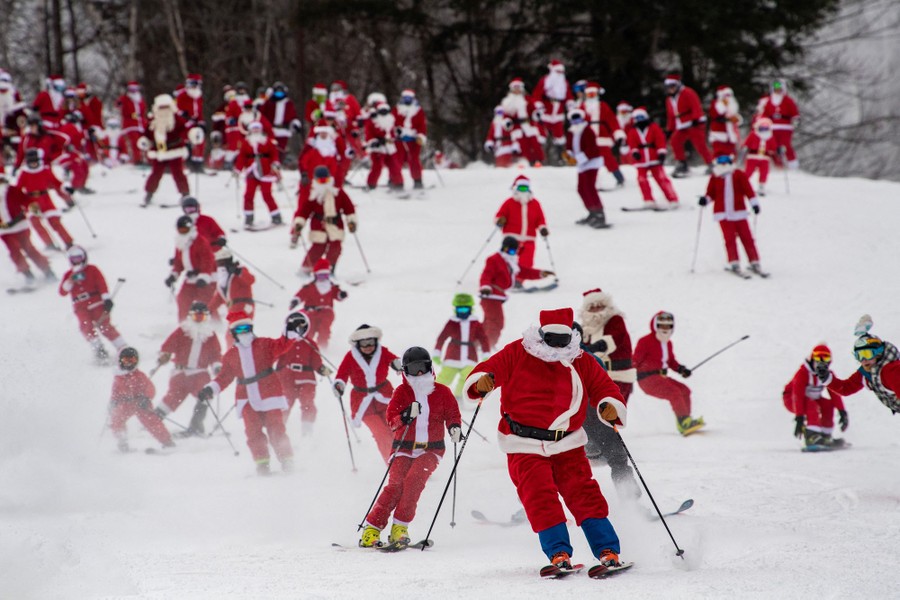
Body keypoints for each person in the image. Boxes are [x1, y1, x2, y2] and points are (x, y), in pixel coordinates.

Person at [463, 307, 628, 573]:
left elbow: (604, 387)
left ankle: (608, 551)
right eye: (551, 339)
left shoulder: (580, 359)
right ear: (541, 335)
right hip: (523, 443)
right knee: (539, 496)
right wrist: (482, 383)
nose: (557, 346)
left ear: (571, 338)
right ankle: (558, 553)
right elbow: (489, 370)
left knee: (583, 493)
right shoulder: (518, 351)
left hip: (568, 443)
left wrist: (609, 405)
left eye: (563, 340)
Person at [359, 347, 462, 548]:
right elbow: (392, 421)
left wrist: (454, 428)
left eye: (423, 367)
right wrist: (406, 416)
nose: (420, 374)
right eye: (414, 369)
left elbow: (452, 415)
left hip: (431, 450)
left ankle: (400, 528)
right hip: (403, 448)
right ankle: (372, 527)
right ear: (406, 371)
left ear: (430, 367)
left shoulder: (442, 392)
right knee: (395, 485)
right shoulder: (402, 392)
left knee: (414, 481)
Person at [199, 312, 299, 475]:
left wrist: (289, 331)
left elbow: (282, 345)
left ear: (251, 328)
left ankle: (287, 460)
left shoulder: (264, 344)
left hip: (270, 393)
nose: (244, 332)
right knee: (253, 432)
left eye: (246, 328)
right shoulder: (230, 355)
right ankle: (262, 464)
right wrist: (211, 388)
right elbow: (224, 377)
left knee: (276, 429)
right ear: (234, 333)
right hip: (246, 398)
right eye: (239, 329)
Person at [577, 289, 637, 488]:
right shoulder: (584, 327)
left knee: (606, 412)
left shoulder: (615, 320)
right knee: (590, 410)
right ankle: (596, 447)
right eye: (591, 307)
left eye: (599, 305)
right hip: (597, 376)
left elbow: (612, 340)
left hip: (618, 375)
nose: (596, 310)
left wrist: (591, 350)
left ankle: (604, 449)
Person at [333, 324, 403, 462]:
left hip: (385, 398)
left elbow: (394, 360)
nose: (368, 346)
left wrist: (397, 364)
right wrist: (339, 385)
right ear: (357, 344)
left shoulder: (382, 352)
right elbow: (341, 374)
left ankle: (407, 462)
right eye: (364, 343)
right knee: (381, 434)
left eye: (371, 342)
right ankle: (393, 464)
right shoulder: (350, 356)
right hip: (362, 403)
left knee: (396, 430)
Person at [154, 301, 222, 437]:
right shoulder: (182, 331)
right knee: (173, 397)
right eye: (196, 316)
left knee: (205, 394)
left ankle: (196, 425)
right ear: (191, 316)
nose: (198, 319)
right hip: (181, 372)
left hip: (200, 373)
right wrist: (164, 356)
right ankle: (153, 421)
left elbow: (216, 354)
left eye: (201, 317)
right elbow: (167, 346)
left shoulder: (210, 335)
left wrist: (216, 366)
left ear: (206, 317)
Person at [633, 311, 704, 435]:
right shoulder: (645, 341)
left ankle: (685, 420)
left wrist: (681, 369)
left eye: (668, 326)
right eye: (661, 326)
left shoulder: (668, 343)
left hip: (661, 377)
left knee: (685, 390)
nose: (665, 329)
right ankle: (683, 422)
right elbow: (635, 360)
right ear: (656, 326)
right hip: (647, 379)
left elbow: (671, 361)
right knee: (674, 392)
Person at [478, 236, 553, 349]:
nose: (512, 253)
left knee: (489, 322)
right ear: (504, 248)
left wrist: (540, 273)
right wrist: (485, 286)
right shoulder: (494, 259)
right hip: (490, 296)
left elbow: (523, 272)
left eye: (515, 251)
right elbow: (486, 274)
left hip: (496, 296)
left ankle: (478, 345)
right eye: (510, 250)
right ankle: (488, 346)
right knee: (496, 322)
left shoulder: (509, 261)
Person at [699, 155, 766, 277]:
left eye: (726, 163)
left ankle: (754, 261)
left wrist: (754, 204)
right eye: (721, 163)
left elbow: (748, 190)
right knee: (729, 239)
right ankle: (734, 262)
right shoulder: (715, 176)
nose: (723, 165)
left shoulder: (738, 174)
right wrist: (705, 200)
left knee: (747, 237)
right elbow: (711, 193)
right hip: (723, 214)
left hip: (739, 212)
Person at [58, 245, 128, 362]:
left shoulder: (92, 269)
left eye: (79, 258)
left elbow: (101, 283)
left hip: (96, 302)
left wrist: (106, 299)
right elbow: (62, 292)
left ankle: (123, 348)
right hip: (80, 306)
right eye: (74, 259)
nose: (77, 261)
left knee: (104, 325)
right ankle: (98, 349)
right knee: (86, 326)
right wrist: (70, 280)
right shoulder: (68, 275)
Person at [291, 165, 357, 274]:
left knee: (335, 248)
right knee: (317, 248)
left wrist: (351, 221)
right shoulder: (313, 196)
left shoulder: (338, 193)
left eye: (325, 180)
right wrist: (299, 223)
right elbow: (304, 211)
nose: (323, 183)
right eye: (320, 180)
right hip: (318, 225)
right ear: (316, 180)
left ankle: (329, 268)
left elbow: (349, 208)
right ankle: (306, 268)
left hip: (335, 225)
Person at [109, 347, 175, 453]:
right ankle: (122, 441)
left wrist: (146, 398)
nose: (129, 364)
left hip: (141, 403)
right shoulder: (118, 377)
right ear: (120, 361)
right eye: (126, 360)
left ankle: (167, 441)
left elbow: (150, 388)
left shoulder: (139, 375)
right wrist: (113, 402)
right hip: (126, 403)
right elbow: (115, 392)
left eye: (133, 361)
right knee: (117, 418)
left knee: (151, 421)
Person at [783, 344, 848, 450]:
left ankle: (825, 435)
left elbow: (834, 393)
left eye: (825, 359)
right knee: (811, 405)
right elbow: (797, 395)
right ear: (812, 359)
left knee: (828, 404)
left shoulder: (827, 375)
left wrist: (842, 411)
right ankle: (812, 435)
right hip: (792, 399)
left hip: (812, 399)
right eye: (817, 359)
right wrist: (799, 418)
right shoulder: (803, 373)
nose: (820, 363)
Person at [276, 311, 329, 435]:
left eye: (300, 326)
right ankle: (279, 430)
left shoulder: (310, 343)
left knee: (307, 401)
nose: (297, 329)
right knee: (285, 402)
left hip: (306, 378)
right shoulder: (283, 342)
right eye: (294, 326)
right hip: (286, 378)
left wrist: (323, 370)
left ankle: (307, 430)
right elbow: (278, 358)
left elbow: (316, 361)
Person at [13, 147, 75, 251]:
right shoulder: (24, 173)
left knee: (54, 221)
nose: (33, 164)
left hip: (45, 199)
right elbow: (18, 189)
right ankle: (49, 244)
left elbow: (56, 183)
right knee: (36, 222)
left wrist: (66, 190)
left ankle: (68, 242)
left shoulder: (45, 170)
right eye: (31, 162)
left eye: (35, 161)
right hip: (31, 201)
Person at [432, 293, 490, 400]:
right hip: (452, 355)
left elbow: (483, 338)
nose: (462, 313)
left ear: (470, 309)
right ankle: (433, 395)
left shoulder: (475, 323)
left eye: (465, 310)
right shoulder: (452, 322)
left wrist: (486, 353)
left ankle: (459, 396)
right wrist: (437, 352)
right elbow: (442, 337)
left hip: (470, 356)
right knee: (445, 377)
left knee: (467, 376)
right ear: (456, 309)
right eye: (460, 310)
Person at [828, 329, 900, 416]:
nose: (864, 360)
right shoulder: (867, 372)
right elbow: (845, 388)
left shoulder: (891, 371)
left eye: (867, 354)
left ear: (878, 353)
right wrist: (825, 377)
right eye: (859, 355)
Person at [138, 94, 191, 206]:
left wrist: (192, 136)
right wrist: (144, 142)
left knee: (178, 173)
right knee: (156, 174)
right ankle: (149, 193)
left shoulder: (177, 119)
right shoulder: (153, 121)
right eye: (161, 107)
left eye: (166, 107)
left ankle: (185, 195)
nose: (164, 110)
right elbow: (147, 135)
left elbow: (185, 131)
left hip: (174, 150)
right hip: (159, 152)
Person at [0, 177, 54, 285]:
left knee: (29, 249)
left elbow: (26, 200)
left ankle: (47, 271)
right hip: (4, 231)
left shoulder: (12, 190)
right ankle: (27, 274)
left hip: (20, 225)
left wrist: (32, 206)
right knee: (14, 252)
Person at [165, 215, 216, 322]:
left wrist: (203, 276)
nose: (183, 232)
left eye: (185, 229)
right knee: (183, 300)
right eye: (181, 230)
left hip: (204, 281)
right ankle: (183, 326)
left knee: (205, 304)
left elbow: (208, 260)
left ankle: (214, 325)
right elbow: (178, 263)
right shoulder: (180, 242)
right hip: (190, 279)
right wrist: (173, 276)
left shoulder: (200, 241)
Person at [494, 174, 548, 274]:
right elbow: (500, 215)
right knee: (509, 258)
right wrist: (500, 220)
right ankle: (505, 276)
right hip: (511, 237)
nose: (523, 190)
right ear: (516, 188)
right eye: (521, 187)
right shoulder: (509, 202)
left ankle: (519, 280)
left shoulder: (535, 203)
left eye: (525, 187)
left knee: (527, 260)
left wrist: (542, 228)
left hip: (529, 238)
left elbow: (540, 219)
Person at [626, 107, 679, 209]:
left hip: (654, 157)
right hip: (641, 159)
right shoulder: (632, 131)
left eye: (641, 117)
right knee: (642, 180)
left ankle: (672, 198)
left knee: (661, 178)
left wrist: (661, 152)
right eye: (637, 118)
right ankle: (648, 200)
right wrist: (635, 152)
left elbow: (660, 140)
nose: (639, 120)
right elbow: (632, 143)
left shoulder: (654, 127)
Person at [564, 108, 608, 229]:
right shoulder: (571, 132)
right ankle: (592, 212)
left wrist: (577, 159)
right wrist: (568, 156)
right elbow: (569, 147)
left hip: (592, 162)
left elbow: (592, 149)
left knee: (589, 187)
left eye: (578, 118)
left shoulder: (588, 130)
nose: (576, 122)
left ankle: (600, 214)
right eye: (574, 119)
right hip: (581, 164)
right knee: (581, 189)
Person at [233, 121, 283, 228]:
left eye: (257, 129)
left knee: (266, 194)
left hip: (266, 171)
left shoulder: (267, 141)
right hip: (252, 171)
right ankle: (248, 217)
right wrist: (238, 169)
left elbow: (274, 154)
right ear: (250, 131)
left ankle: (276, 216)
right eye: (253, 129)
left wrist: (275, 164)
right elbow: (242, 157)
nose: (255, 131)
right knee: (248, 195)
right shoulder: (246, 143)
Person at [288, 258, 347, 348]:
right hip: (311, 312)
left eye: (325, 276)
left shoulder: (332, 287)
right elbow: (301, 295)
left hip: (326, 312)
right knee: (309, 330)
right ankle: (307, 347)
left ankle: (322, 347)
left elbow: (337, 295)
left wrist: (341, 295)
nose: (323, 279)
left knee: (324, 330)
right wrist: (296, 301)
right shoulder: (309, 287)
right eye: (320, 276)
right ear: (316, 276)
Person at [664, 74, 712, 177]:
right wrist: (669, 130)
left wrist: (696, 119)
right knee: (675, 141)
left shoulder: (687, 92)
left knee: (699, 144)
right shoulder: (669, 99)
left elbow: (696, 105)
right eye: (669, 87)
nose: (671, 89)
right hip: (682, 125)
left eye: (672, 86)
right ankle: (682, 163)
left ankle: (711, 163)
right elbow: (671, 116)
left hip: (694, 123)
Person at [579, 82, 625, 186]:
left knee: (608, 159)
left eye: (593, 94)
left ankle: (619, 178)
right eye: (589, 95)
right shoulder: (582, 107)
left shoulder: (603, 106)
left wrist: (618, 134)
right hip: (588, 138)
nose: (591, 97)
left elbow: (612, 121)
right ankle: (590, 181)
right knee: (589, 160)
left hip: (603, 137)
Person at [500, 78, 544, 165]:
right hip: (517, 126)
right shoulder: (508, 102)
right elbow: (506, 115)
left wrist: (536, 114)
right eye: (515, 88)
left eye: (518, 87)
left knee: (535, 144)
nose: (517, 90)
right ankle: (529, 161)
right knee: (523, 146)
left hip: (528, 124)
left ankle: (539, 160)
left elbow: (533, 109)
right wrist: (507, 121)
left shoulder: (527, 99)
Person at [532, 60, 573, 153]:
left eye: (561, 72)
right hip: (546, 111)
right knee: (541, 134)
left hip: (559, 111)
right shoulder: (545, 81)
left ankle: (560, 157)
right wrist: (539, 106)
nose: (560, 74)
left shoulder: (564, 83)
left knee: (559, 134)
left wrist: (570, 106)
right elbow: (536, 95)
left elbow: (569, 96)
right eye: (558, 72)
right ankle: (538, 156)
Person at [758, 79, 800, 169]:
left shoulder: (788, 100)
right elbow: (764, 113)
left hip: (785, 127)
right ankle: (778, 165)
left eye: (779, 89)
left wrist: (795, 120)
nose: (778, 91)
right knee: (773, 146)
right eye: (776, 89)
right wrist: (762, 122)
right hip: (772, 127)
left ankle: (792, 165)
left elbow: (794, 112)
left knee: (786, 145)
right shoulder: (769, 101)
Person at [364, 101, 404, 191]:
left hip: (390, 147)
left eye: (385, 111)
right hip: (378, 148)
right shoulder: (373, 121)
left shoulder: (391, 119)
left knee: (395, 166)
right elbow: (369, 134)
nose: (384, 113)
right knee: (377, 167)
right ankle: (371, 185)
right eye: (382, 111)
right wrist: (374, 141)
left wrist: (398, 133)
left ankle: (399, 185)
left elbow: (394, 132)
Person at [259, 81, 302, 161]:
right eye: (277, 93)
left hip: (283, 130)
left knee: (281, 149)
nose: (279, 95)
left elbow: (293, 116)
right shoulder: (269, 103)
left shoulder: (288, 104)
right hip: (270, 130)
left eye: (281, 93)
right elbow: (262, 115)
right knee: (270, 147)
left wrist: (296, 124)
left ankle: (281, 161)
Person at [395, 89, 428, 190]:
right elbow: (392, 123)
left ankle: (417, 180)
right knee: (397, 161)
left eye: (409, 98)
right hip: (400, 140)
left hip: (414, 140)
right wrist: (397, 131)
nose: (407, 100)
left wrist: (420, 135)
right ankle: (395, 181)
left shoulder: (418, 110)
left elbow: (422, 126)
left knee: (414, 160)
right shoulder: (397, 109)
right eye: (405, 98)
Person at [213, 247, 256, 321]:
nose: (220, 265)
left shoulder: (240, 270)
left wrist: (239, 272)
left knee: (238, 329)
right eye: (219, 263)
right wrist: (207, 309)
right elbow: (219, 298)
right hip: (232, 310)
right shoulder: (223, 278)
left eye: (223, 262)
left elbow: (251, 280)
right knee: (232, 331)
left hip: (244, 308)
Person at [175, 73, 206, 173]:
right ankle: (183, 164)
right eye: (192, 84)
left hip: (195, 123)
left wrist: (201, 122)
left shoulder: (198, 96)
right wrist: (185, 117)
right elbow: (178, 111)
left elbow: (200, 112)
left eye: (195, 84)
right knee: (184, 142)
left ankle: (198, 164)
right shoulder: (182, 95)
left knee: (200, 141)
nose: (194, 86)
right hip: (184, 123)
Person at [740, 117, 778, 196]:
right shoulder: (754, 134)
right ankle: (743, 185)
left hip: (764, 157)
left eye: (766, 128)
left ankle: (761, 186)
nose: (764, 130)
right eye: (762, 128)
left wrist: (778, 149)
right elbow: (747, 143)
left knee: (764, 172)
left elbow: (773, 147)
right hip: (753, 156)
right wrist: (745, 147)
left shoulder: (770, 136)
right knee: (748, 171)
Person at [115, 81, 148, 164]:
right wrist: (119, 103)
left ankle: (147, 158)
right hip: (130, 124)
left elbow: (143, 111)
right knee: (135, 142)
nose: (134, 91)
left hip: (141, 124)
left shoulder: (140, 99)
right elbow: (118, 104)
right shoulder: (125, 98)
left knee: (145, 141)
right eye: (132, 89)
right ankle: (137, 159)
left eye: (135, 89)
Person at [707, 86, 742, 157]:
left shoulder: (732, 106)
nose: (727, 98)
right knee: (718, 153)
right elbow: (714, 114)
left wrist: (737, 119)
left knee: (731, 154)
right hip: (719, 135)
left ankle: (730, 166)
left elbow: (736, 117)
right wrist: (723, 104)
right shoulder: (716, 104)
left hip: (731, 135)